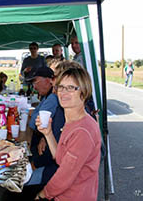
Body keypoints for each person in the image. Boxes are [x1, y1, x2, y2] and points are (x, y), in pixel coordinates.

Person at [35, 66, 101, 201]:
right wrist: (48, 134)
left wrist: (42, 195)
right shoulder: (73, 121)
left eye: (71, 88)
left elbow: (64, 177)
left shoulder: (82, 130)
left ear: (83, 92)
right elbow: (61, 159)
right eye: (61, 87)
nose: (64, 92)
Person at [26, 66, 65, 185]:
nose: (34, 86)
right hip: (48, 159)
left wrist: (34, 165)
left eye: (35, 81)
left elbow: (34, 123)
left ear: (49, 80)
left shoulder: (53, 99)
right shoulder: (46, 97)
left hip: (52, 169)